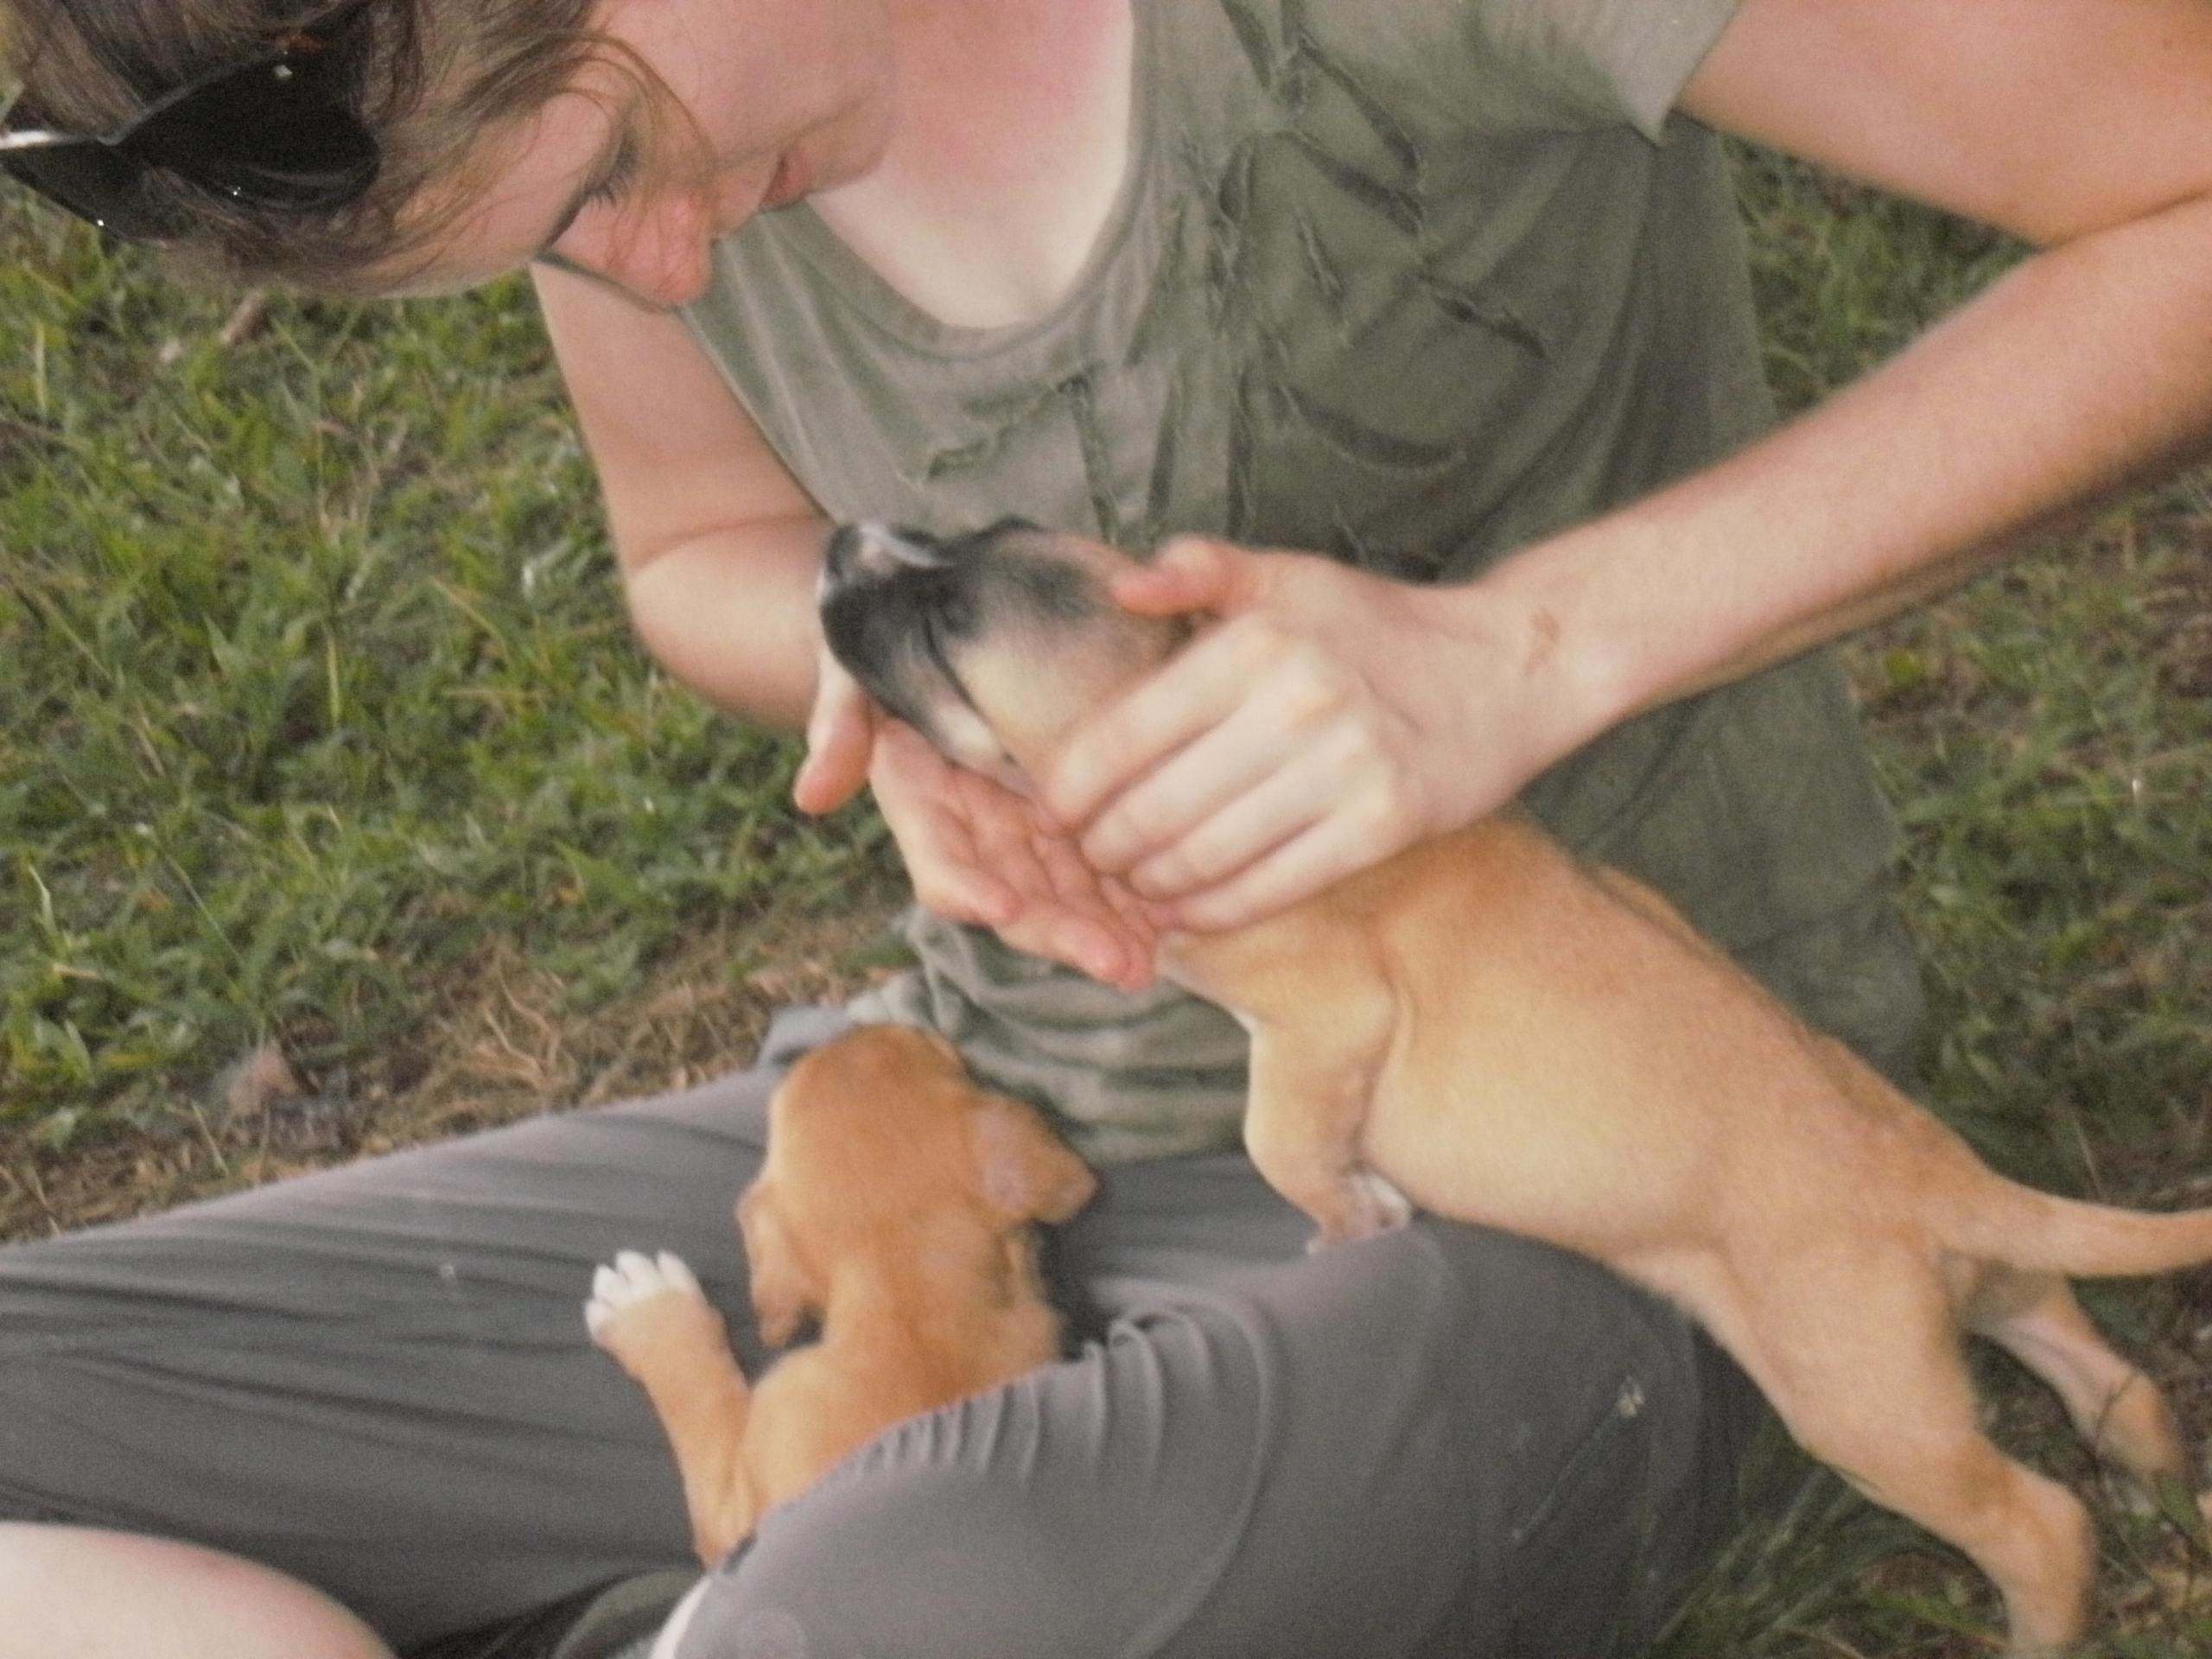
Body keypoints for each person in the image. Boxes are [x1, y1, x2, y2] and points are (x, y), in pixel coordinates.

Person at [3, 0, 2211, 1654]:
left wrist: (1536, 647)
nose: (656, 270)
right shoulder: (606, 160)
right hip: (986, 1126)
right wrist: (892, 691)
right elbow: (693, 543)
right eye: (560, 249)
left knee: (888, 1613)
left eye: (605, 172)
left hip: (1593, 1192)